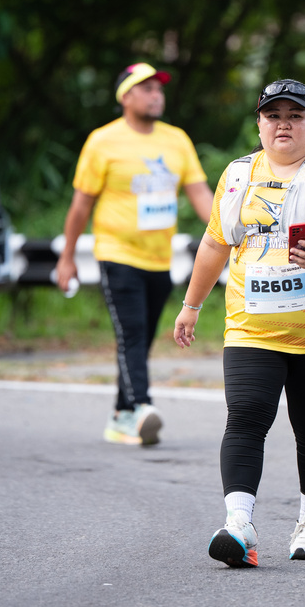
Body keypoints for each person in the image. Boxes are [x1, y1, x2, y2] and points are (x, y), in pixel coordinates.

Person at [173, 79, 305, 567]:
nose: (283, 124)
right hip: (251, 327)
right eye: (273, 115)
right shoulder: (238, 174)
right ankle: (239, 525)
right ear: (259, 124)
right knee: (246, 416)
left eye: (295, 116)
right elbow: (214, 243)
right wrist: (191, 305)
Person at [56, 62, 213, 446]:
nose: (156, 95)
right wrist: (67, 256)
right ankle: (142, 407)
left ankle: (121, 415)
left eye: (159, 89)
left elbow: (200, 194)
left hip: (159, 258)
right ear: (125, 96)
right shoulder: (103, 141)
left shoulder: (177, 140)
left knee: (140, 339)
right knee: (133, 334)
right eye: (147, 89)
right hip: (117, 253)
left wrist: (231, 233)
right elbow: (81, 205)